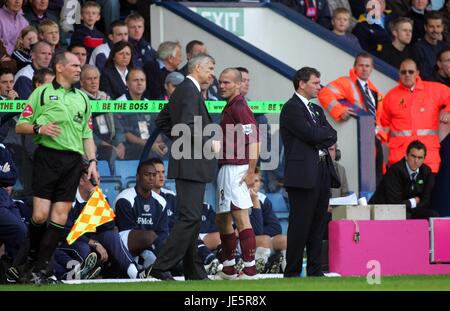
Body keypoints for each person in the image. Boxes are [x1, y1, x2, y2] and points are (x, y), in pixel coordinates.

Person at [13, 51, 100, 284]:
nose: (78, 69)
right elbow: (21, 125)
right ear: (60, 68)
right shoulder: (41, 94)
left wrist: (92, 163)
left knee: (60, 218)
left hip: (73, 162)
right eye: (74, 65)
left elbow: (87, 136)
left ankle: (40, 270)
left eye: (79, 66)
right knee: (40, 216)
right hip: (47, 158)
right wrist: (39, 129)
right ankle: (29, 260)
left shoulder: (82, 98)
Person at [153, 53, 219, 281]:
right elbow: (189, 125)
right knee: (190, 218)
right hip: (191, 164)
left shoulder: (183, 90)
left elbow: (162, 121)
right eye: (210, 68)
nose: (212, 73)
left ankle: (194, 271)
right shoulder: (189, 91)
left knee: (191, 216)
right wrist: (209, 142)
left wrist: (181, 141)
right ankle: (161, 266)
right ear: (198, 67)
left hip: (189, 163)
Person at [280, 67, 338, 278]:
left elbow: (332, 134)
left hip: (322, 170)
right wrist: (321, 135)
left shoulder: (316, 110)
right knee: (300, 223)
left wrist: (320, 134)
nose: (319, 87)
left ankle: (315, 270)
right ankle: (293, 270)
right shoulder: (291, 108)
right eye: (315, 82)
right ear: (301, 83)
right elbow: (311, 134)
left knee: (318, 222)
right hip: (303, 174)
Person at [214, 68, 260, 280]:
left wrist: (251, 171)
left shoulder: (240, 106)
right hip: (227, 167)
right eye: (221, 82)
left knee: (240, 216)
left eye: (227, 83)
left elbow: (254, 140)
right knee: (223, 218)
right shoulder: (230, 105)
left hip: (236, 168)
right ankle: (229, 268)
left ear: (238, 84)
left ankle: (250, 269)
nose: (222, 86)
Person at [318, 52, 385, 182]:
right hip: (360, 139)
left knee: (377, 180)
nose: (364, 68)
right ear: (354, 66)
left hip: (374, 140)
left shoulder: (374, 91)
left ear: (372, 68)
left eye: (367, 66)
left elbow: (378, 118)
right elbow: (325, 93)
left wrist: (380, 134)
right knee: (366, 182)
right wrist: (339, 111)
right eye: (361, 65)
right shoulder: (346, 82)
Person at [380, 59, 450, 174]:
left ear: (417, 73)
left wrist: (448, 110)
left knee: (424, 192)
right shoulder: (391, 96)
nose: (407, 75)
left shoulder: (433, 90)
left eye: (411, 72)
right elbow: (383, 126)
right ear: (399, 74)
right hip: (400, 158)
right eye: (403, 72)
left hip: (427, 158)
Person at [114, 159, 168, 273]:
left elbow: (162, 232)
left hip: (151, 245)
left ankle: (155, 265)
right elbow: (126, 232)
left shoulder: (161, 202)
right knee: (148, 236)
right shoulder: (124, 199)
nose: (151, 178)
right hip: (125, 243)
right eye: (147, 175)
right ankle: (149, 264)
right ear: (138, 176)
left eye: (154, 175)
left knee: (170, 242)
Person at [369, 140, 439, 219]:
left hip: (409, 211)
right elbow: (395, 205)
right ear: (406, 156)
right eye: (413, 156)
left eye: (420, 158)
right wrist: (413, 201)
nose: (416, 161)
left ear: (424, 159)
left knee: (432, 214)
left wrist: (409, 205)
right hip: (384, 212)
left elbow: (426, 201)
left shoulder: (426, 172)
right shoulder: (394, 171)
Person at [249, 167, 287, 274]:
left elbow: (276, 228)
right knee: (264, 240)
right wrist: (254, 201)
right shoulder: (238, 198)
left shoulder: (263, 199)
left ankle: (287, 272)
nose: (253, 184)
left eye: (256, 181)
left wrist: (261, 233)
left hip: (262, 238)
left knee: (284, 240)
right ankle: (259, 271)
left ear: (260, 183)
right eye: (251, 180)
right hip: (243, 241)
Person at [412, 11, 450, 81]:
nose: (435, 30)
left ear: (442, 28)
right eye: (431, 27)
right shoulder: (417, 48)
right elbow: (423, 75)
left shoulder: (446, 47)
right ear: (425, 27)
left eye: (438, 26)